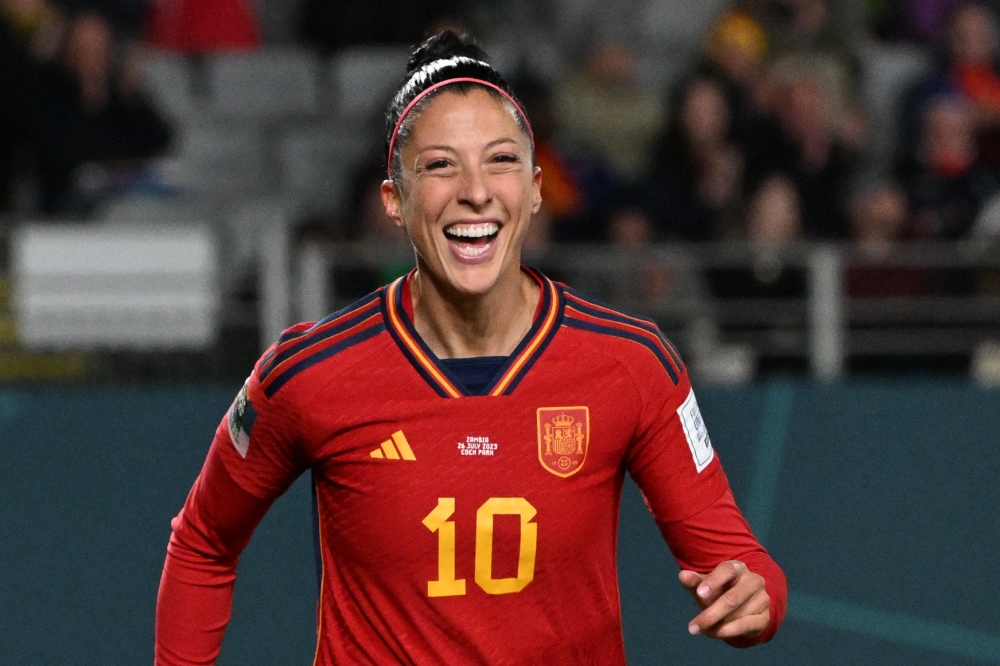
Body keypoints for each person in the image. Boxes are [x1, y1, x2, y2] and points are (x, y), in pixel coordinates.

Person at [155, 31, 787, 664]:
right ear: (394, 201)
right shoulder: (308, 375)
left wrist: (758, 603)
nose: (476, 190)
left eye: (500, 160)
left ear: (537, 189)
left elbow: (743, 564)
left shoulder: (633, 363)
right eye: (440, 165)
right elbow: (203, 541)